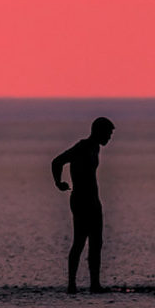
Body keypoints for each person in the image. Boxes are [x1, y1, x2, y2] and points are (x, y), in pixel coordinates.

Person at [51, 117, 114, 294]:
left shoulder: (95, 148)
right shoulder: (83, 147)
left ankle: (95, 284)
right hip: (81, 199)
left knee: (97, 242)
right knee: (79, 241)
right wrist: (59, 182)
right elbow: (57, 161)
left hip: (94, 200)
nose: (109, 138)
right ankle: (71, 284)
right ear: (98, 131)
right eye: (108, 134)